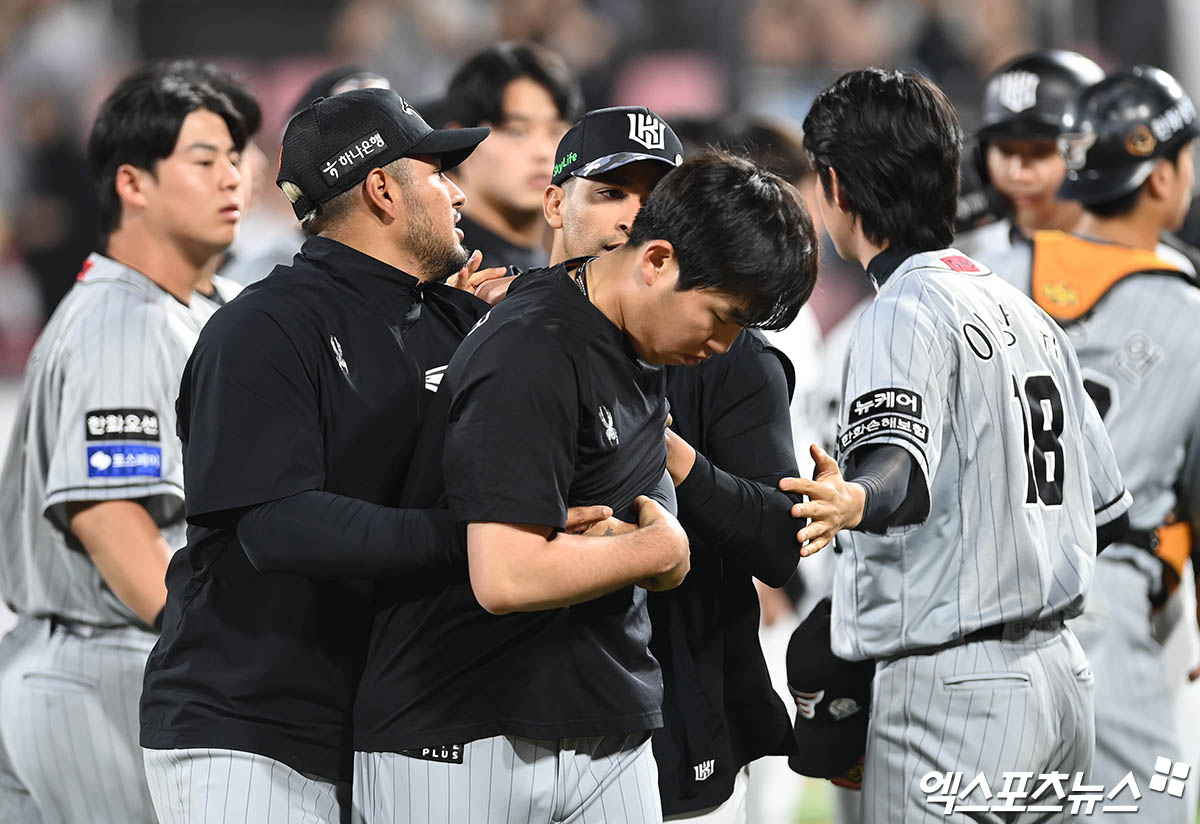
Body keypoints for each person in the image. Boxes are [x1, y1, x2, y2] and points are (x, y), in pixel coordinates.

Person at [138, 86, 597, 824]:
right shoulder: (262, 329)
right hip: (252, 724)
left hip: (390, 718)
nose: (456, 193)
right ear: (382, 188)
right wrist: (480, 542)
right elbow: (279, 524)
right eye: (437, 172)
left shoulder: (459, 321)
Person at [352, 149, 817, 823]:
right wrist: (657, 553)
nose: (722, 344)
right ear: (656, 261)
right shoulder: (534, 346)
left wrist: (637, 550)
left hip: (602, 721)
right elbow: (506, 573)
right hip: (461, 725)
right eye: (720, 315)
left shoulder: (632, 337)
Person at [789, 68, 1131, 823]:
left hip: (958, 696)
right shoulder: (1024, 308)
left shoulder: (901, 308)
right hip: (1061, 684)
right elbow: (1106, 513)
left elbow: (897, 468)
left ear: (837, 188)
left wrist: (856, 497)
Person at [537, 105, 819, 822]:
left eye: (651, 197)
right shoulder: (498, 331)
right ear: (555, 202)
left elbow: (781, 537)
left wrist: (669, 455)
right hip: (513, 705)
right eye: (610, 193)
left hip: (679, 712)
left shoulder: (729, 353)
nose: (632, 216)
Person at [0, 64, 250, 823]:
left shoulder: (199, 306)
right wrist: (230, 663)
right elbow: (111, 521)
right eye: (204, 160)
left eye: (236, 157)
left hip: (116, 663)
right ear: (133, 184)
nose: (231, 177)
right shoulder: (122, 323)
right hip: (107, 663)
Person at [995, 64, 1200, 823]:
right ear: (1159, 179)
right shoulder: (1188, 311)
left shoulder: (988, 273)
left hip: (979, 607)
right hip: (1106, 599)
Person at [442, 41, 583, 270]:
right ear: (461, 141)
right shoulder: (442, 267)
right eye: (517, 132)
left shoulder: (553, 262)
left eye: (557, 131)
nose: (544, 152)